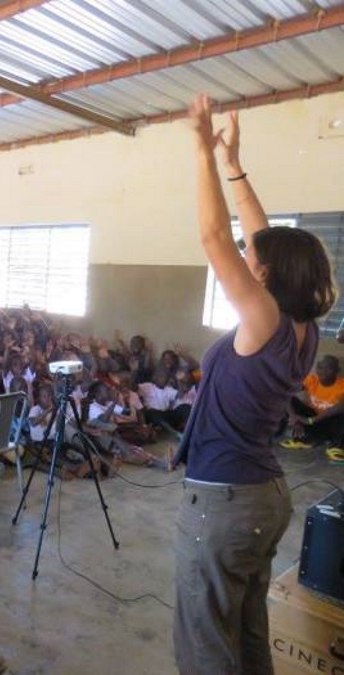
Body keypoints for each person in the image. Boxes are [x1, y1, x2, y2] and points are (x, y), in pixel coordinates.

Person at [173, 95, 335, 675]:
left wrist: (200, 152)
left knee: (204, 643)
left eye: (255, 258)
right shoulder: (301, 329)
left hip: (225, 502)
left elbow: (217, 237)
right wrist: (234, 164)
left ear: (266, 276)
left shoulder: (263, 322)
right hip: (263, 497)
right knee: (244, 631)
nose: (247, 255)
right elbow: (254, 234)